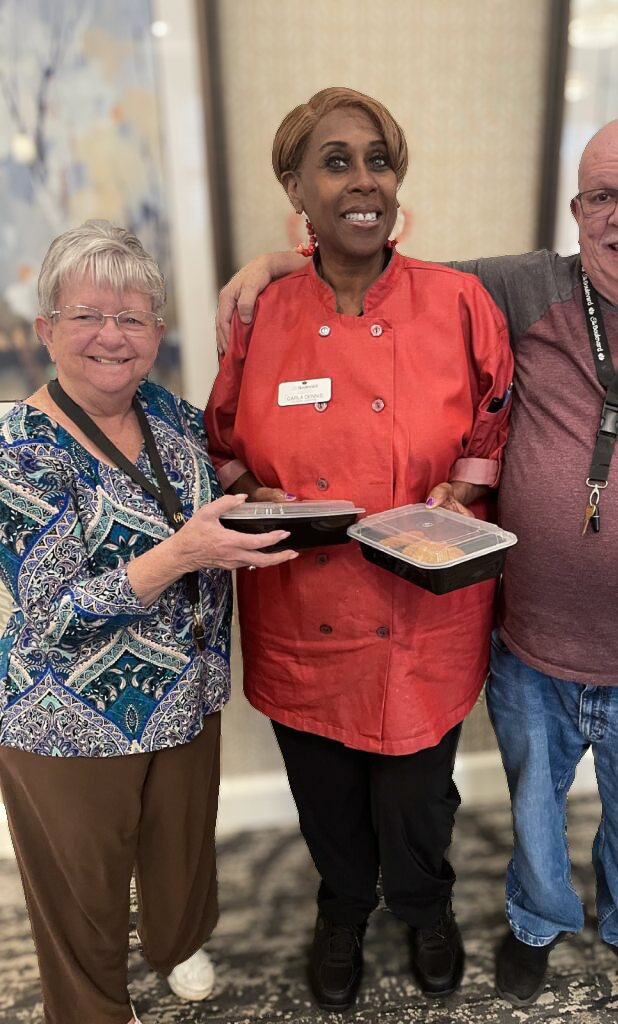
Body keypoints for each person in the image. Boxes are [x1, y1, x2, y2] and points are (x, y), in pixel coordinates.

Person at [216, 114, 618, 1024]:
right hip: (520, 640)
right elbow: (354, 286)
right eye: (601, 196)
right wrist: (273, 268)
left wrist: (461, 496)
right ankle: (499, 918)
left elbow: (480, 413)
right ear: (577, 211)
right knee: (524, 814)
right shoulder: (529, 286)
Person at [204, 87, 513, 1013]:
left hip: (426, 612)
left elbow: (494, 421)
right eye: (335, 162)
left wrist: (461, 492)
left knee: (419, 799)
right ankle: (341, 908)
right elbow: (221, 443)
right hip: (304, 609)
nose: (362, 180)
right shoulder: (262, 315)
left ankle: (425, 908)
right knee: (326, 793)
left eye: (377, 159)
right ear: (295, 186)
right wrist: (254, 494)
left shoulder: (458, 300)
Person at [0, 220, 297, 1024]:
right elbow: (52, 613)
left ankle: (175, 944)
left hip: (186, 696)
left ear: (157, 334)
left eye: (132, 318)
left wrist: (274, 262)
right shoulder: (20, 449)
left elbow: (229, 474)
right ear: (46, 331)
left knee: (180, 855)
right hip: (67, 720)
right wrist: (181, 553)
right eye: (87, 315)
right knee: (83, 893)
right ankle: (94, 1007)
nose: (110, 336)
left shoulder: (168, 411)